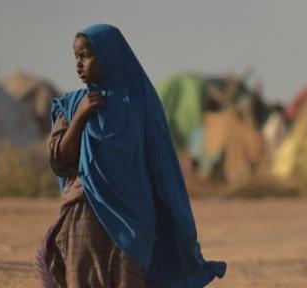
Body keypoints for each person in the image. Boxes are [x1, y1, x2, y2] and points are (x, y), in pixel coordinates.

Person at [35, 24, 225, 287]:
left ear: (110, 55)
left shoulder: (140, 104)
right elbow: (60, 161)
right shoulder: (71, 105)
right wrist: (80, 117)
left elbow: (161, 166)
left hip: (133, 222)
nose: (79, 64)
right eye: (76, 57)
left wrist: (175, 222)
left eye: (86, 55)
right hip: (84, 217)